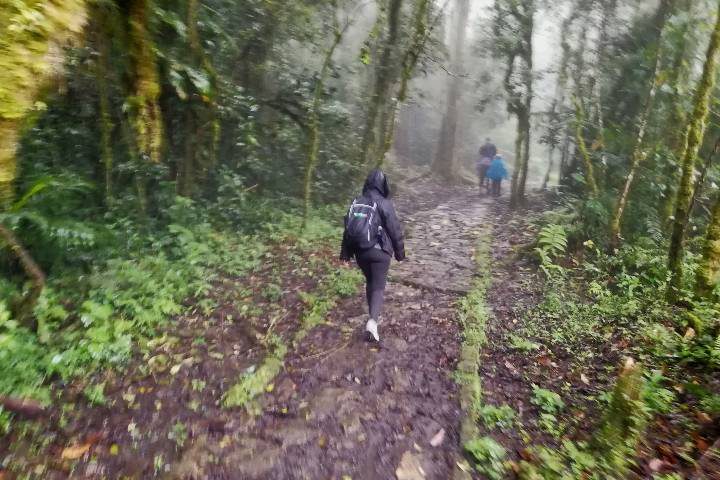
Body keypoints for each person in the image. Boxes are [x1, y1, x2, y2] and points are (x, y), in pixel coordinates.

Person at [340, 169, 406, 342]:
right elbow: (394, 230)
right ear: (383, 185)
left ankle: (372, 316)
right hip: (380, 252)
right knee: (378, 286)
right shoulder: (384, 203)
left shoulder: (357, 202)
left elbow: (348, 229)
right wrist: (400, 253)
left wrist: (345, 255)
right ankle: (373, 321)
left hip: (361, 253)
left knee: (370, 281)